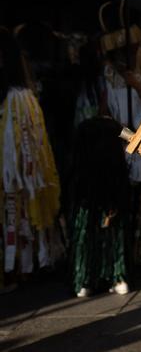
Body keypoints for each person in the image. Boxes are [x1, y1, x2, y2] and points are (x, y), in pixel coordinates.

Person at [98, 1, 141, 274]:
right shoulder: (106, 76)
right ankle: (120, 258)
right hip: (119, 146)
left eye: (128, 50)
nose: (125, 56)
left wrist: (135, 85)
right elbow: (104, 112)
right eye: (119, 53)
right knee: (120, 205)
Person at [0, 28, 62, 292]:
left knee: (14, 214)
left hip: (12, 183)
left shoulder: (17, 100)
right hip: (14, 182)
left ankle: (16, 268)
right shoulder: (22, 98)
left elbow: (24, 161)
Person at [66, 116, 131, 297]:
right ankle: (115, 276)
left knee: (88, 231)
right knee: (111, 230)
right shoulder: (106, 135)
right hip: (105, 185)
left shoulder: (86, 133)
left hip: (92, 187)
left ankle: (87, 279)